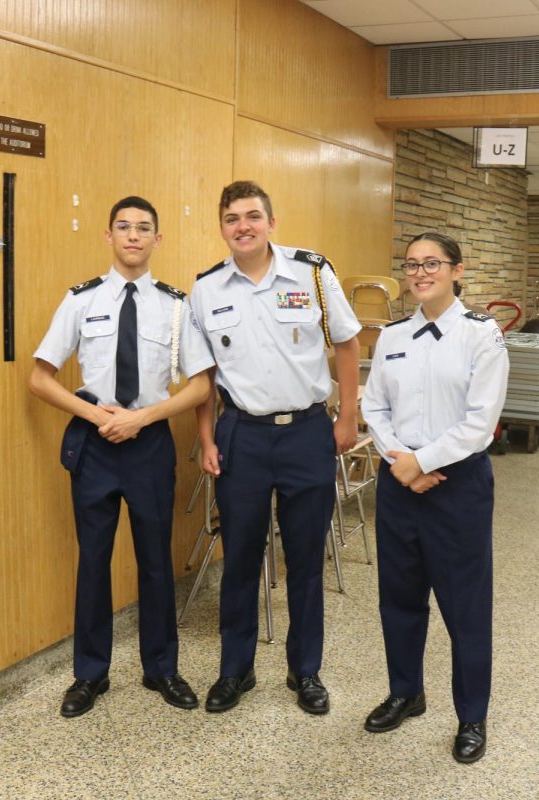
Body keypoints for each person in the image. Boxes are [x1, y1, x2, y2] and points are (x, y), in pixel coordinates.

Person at [29, 196, 214, 718]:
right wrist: (97, 417)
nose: (133, 236)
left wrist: (140, 418)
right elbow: (40, 378)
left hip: (149, 443)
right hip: (94, 445)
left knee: (156, 562)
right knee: (93, 562)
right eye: (124, 227)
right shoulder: (81, 300)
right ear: (108, 236)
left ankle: (162, 669)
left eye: (144, 228)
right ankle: (89, 675)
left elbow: (200, 387)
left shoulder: (177, 306)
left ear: (158, 240)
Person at [190, 180, 361, 715]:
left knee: (305, 559)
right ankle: (235, 672)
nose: (243, 226)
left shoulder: (312, 271)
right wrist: (204, 438)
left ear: (271, 221)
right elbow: (204, 374)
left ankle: (304, 671)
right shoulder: (207, 288)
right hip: (240, 433)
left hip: (307, 431)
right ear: (222, 227)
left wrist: (348, 415)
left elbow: (347, 342)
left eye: (252, 216)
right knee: (239, 557)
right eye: (232, 218)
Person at [359, 231, 509, 764]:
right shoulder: (393, 335)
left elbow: (480, 422)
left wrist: (420, 463)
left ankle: (472, 716)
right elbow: (373, 406)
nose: (421, 273)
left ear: (457, 271)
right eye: (412, 265)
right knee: (398, 599)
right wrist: (401, 461)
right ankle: (406, 692)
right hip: (401, 485)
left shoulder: (481, 336)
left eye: (433, 264)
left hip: (457, 487)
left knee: (465, 607)